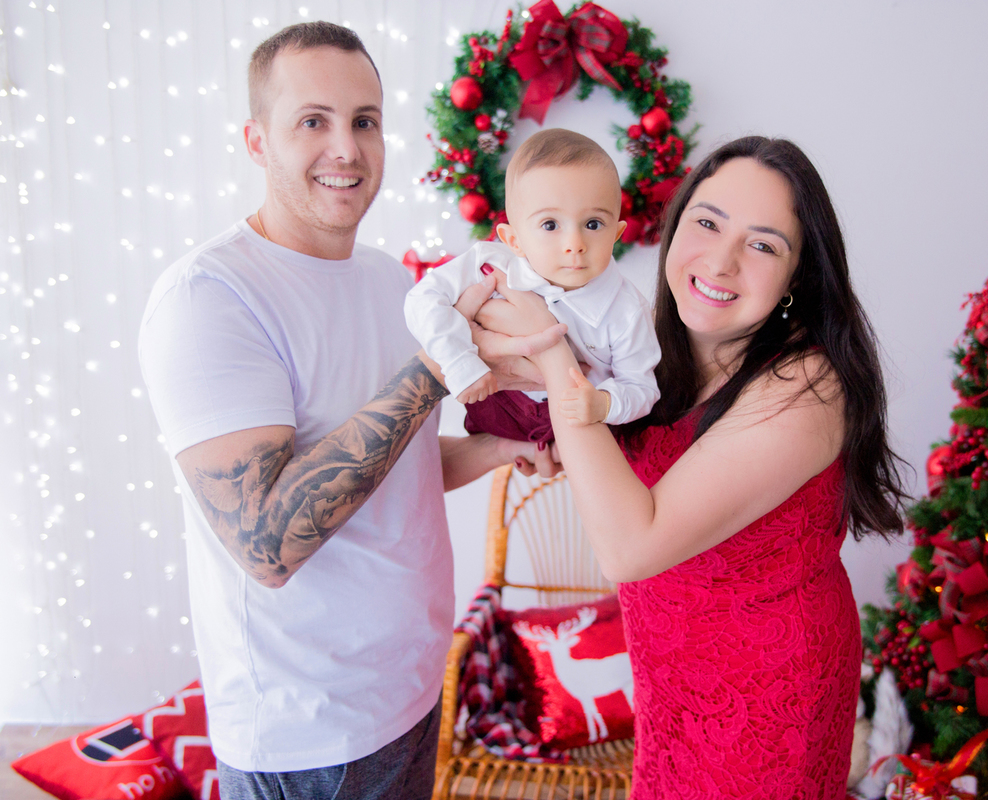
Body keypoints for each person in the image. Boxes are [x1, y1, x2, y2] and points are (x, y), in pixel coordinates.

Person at [137, 22, 561, 800]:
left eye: (365, 121)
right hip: (308, 738)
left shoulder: (386, 283)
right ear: (257, 140)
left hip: (407, 691)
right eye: (313, 121)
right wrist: (434, 372)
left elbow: (392, 466)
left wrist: (504, 451)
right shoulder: (209, 299)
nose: (347, 147)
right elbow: (267, 543)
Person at [473, 136, 909, 798]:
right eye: (707, 223)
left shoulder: (807, 384)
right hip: (671, 680)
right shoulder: (654, 350)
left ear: (798, 275)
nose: (723, 260)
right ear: (675, 228)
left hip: (771, 696)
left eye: (763, 244)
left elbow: (629, 546)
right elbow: (563, 447)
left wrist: (551, 352)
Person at [405, 128, 660, 445]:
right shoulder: (491, 264)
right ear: (514, 240)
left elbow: (642, 387)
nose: (575, 244)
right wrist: (459, 359)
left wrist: (604, 403)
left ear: (616, 233)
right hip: (495, 400)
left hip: (568, 422)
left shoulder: (627, 311)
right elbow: (422, 299)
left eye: (593, 224)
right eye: (550, 225)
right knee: (425, 442)